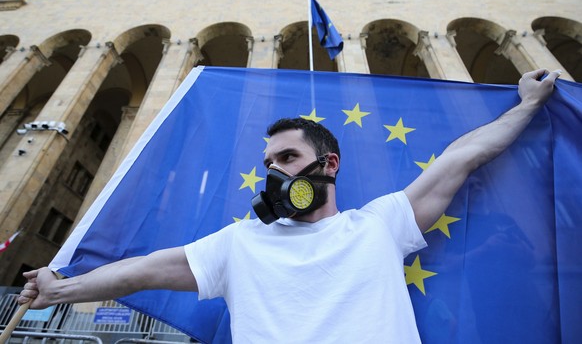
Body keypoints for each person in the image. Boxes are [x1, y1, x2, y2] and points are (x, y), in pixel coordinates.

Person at [18, 68, 561, 342]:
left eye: (287, 156)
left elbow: (462, 158)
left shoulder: (377, 225)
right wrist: (60, 288)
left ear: (329, 164)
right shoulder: (239, 243)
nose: (274, 170)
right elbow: (136, 273)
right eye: (270, 160)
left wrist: (529, 105)